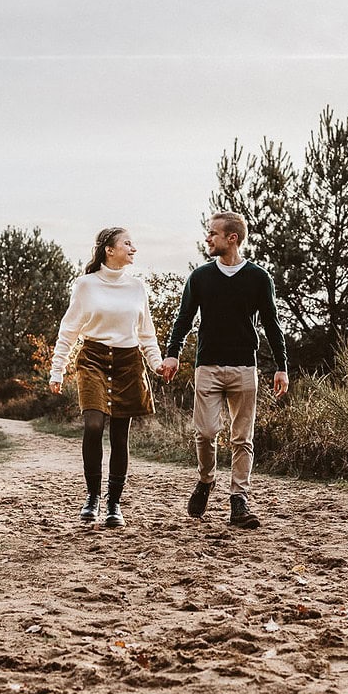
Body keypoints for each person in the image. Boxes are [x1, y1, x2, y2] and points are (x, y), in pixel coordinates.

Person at [160, 212, 289, 529]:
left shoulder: (259, 278)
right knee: (204, 433)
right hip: (208, 367)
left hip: (245, 367)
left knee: (242, 438)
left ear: (232, 238)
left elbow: (272, 324)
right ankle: (206, 480)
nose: (208, 238)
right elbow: (184, 319)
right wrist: (173, 353)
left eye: (213, 233)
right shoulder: (200, 277)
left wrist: (282, 367)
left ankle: (239, 500)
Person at [50, 227, 163, 528]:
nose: (133, 248)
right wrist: (57, 369)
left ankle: (114, 504)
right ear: (109, 250)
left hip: (128, 362)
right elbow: (68, 330)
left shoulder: (137, 287)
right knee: (94, 423)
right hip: (93, 360)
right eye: (128, 243)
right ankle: (92, 497)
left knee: (120, 436)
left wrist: (157, 363)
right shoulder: (86, 285)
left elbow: (146, 333)